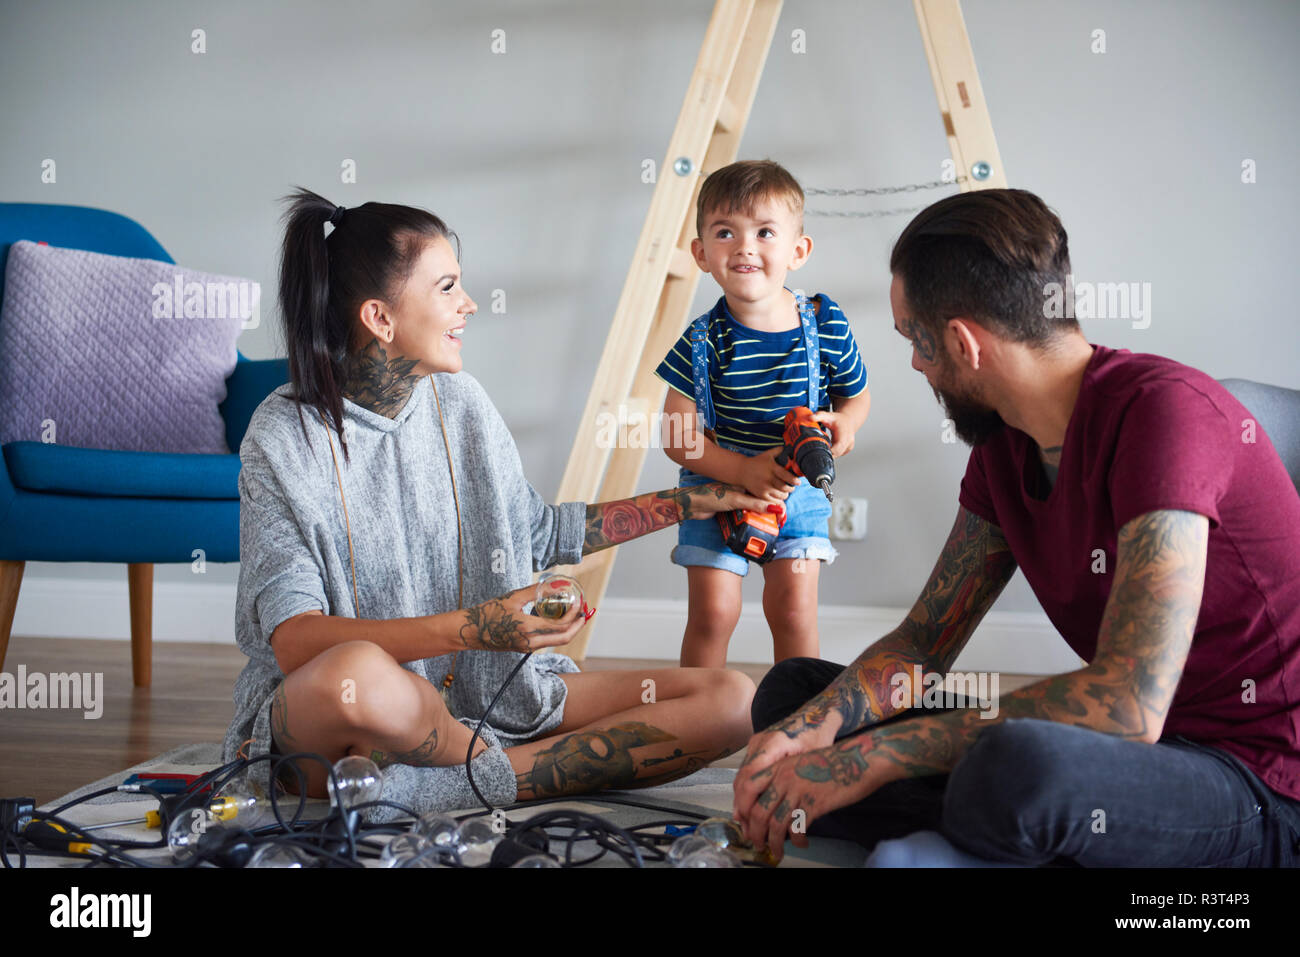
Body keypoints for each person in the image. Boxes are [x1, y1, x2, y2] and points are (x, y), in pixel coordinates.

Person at [732, 187, 1300, 866]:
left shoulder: (1166, 416)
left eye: (915, 341)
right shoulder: (1004, 446)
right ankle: (1012, 835)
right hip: (1129, 758)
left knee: (1017, 767)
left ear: (963, 342)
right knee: (793, 694)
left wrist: (876, 756)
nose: (915, 365)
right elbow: (921, 642)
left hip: (1258, 782)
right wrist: (815, 730)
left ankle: (999, 831)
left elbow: (1127, 703)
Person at [221, 188, 773, 818]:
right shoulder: (280, 437)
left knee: (733, 700)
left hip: (492, 705)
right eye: (448, 286)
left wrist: (690, 500)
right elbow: (295, 644)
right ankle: (505, 769)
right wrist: (479, 628)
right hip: (350, 719)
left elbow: (539, 534)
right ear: (381, 318)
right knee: (363, 678)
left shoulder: (464, 403)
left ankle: (461, 782)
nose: (469, 304)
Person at [653, 160, 871, 668]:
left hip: (798, 493)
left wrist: (849, 424)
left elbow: (857, 397)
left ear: (798, 250)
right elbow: (677, 438)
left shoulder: (825, 323)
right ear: (702, 254)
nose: (745, 247)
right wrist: (743, 472)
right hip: (716, 490)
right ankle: (696, 721)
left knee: (794, 612)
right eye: (726, 232)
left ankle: (794, 724)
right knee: (714, 614)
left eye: (765, 232)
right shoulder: (701, 340)